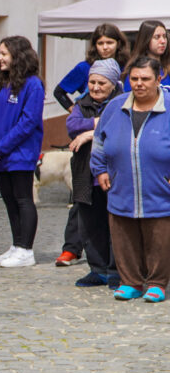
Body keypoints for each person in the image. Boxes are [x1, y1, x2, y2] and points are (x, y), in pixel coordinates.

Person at [91, 57, 170, 302]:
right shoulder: (115, 107)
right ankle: (130, 281)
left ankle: (157, 282)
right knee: (123, 233)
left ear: (158, 79)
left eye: (145, 79)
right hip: (121, 185)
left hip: (160, 188)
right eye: (133, 79)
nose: (138, 84)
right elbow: (99, 142)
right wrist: (100, 170)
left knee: (159, 236)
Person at [53, 23, 129, 266]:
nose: (105, 46)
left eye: (110, 42)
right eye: (100, 42)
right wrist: (91, 120)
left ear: (118, 43)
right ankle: (74, 249)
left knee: (113, 215)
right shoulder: (85, 70)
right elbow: (62, 96)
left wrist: (92, 130)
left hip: (114, 160)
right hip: (86, 163)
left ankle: (116, 265)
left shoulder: (128, 72)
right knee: (84, 207)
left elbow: (122, 118)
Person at [0, 36, 45, 268]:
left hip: (19, 152)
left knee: (23, 200)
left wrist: (1, 147)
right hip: (0, 153)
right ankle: (16, 244)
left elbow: (28, 122)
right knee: (10, 201)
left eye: (4, 54)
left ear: (17, 56)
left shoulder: (33, 85)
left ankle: (26, 249)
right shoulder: (0, 82)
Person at [66, 59, 122, 289]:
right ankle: (97, 270)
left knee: (115, 225)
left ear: (113, 83)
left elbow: (118, 128)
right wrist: (97, 123)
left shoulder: (122, 102)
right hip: (85, 173)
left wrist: (89, 133)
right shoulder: (83, 103)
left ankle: (116, 271)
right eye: (92, 82)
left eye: (101, 82)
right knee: (90, 223)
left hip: (113, 172)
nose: (96, 87)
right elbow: (72, 126)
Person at [122, 20, 170, 91]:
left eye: (164, 36)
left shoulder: (167, 68)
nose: (163, 41)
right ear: (146, 40)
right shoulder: (134, 70)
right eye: (157, 37)